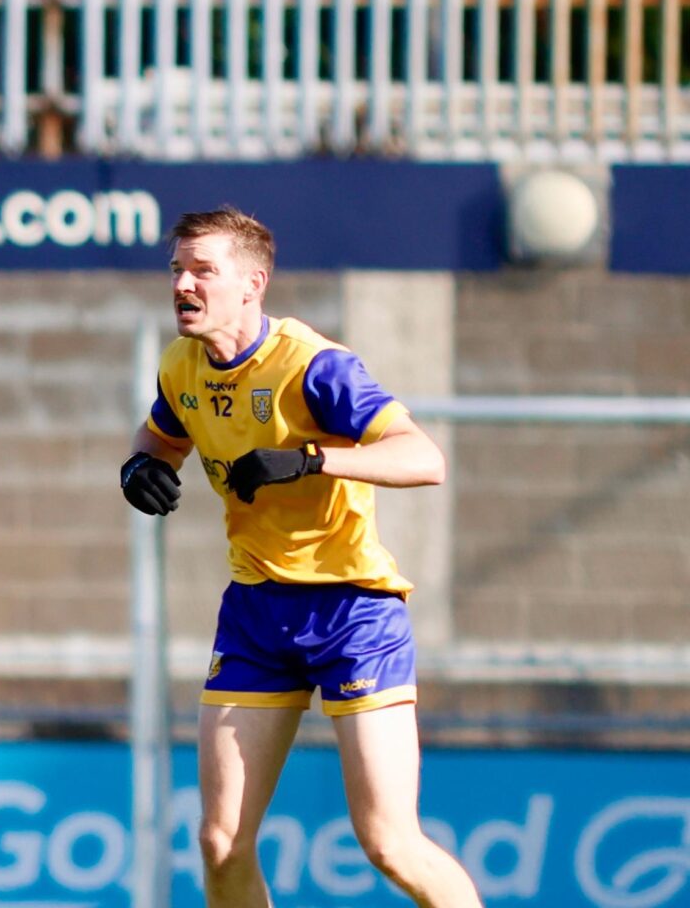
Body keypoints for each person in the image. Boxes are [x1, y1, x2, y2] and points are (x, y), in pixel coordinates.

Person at [118, 207, 483, 908]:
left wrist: (311, 460)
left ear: (253, 283)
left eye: (203, 271)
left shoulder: (313, 367)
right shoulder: (181, 366)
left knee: (389, 842)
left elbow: (423, 458)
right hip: (257, 612)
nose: (183, 286)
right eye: (176, 271)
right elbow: (158, 439)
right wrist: (137, 469)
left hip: (353, 612)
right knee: (220, 841)